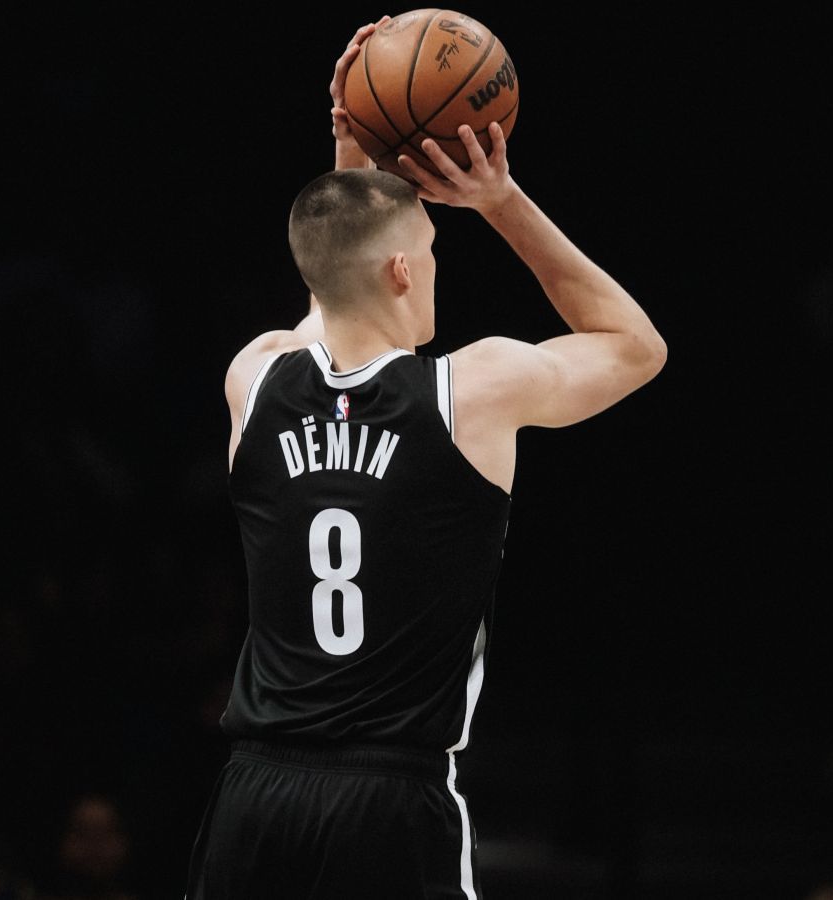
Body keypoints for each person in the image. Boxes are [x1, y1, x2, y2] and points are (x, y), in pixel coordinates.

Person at [184, 17, 666, 900]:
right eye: (432, 253)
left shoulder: (253, 379)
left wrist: (352, 155)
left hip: (254, 796)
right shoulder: (471, 393)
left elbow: (332, 277)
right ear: (405, 270)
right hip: (389, 799)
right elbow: (636, 347)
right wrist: (499, 199)